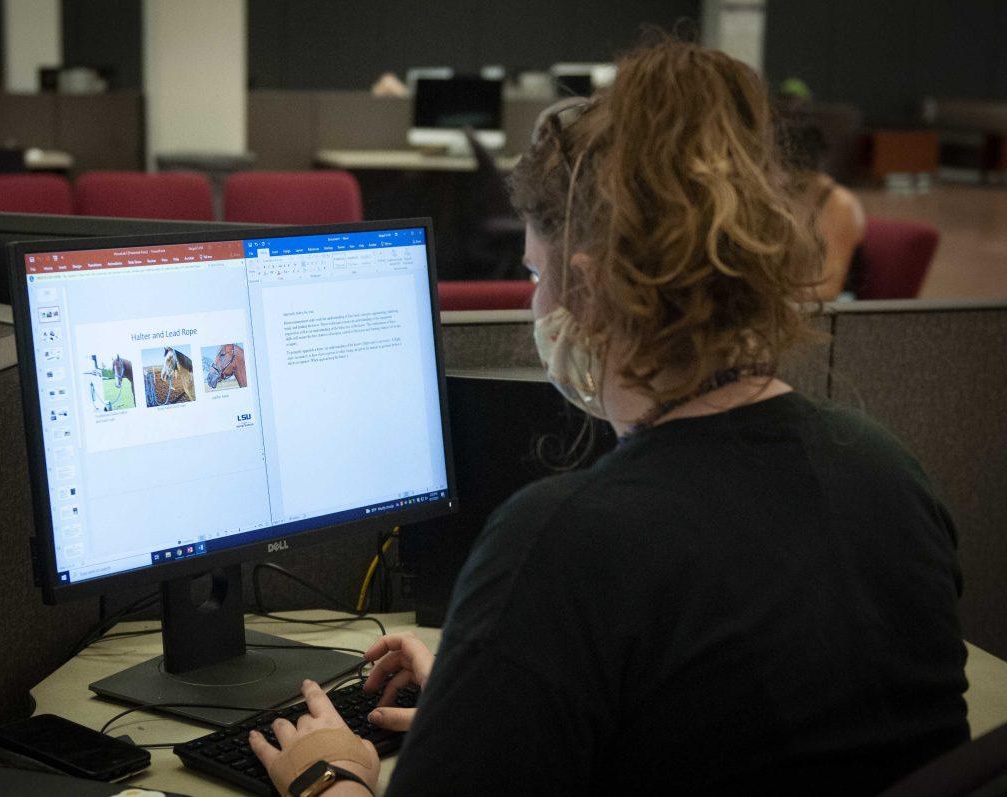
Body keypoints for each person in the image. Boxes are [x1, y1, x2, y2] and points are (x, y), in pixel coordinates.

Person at [250, 39, 968, 796]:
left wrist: (328, 777)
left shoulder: (566, 544)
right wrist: (494, 684)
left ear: (587, 290)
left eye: (535, 273)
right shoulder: (888, 471)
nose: (534, 302)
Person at [780, 111, 868, 300]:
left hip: (835, 311)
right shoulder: (785, 196)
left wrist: (762, 298)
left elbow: (828, 290)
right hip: (793, 304)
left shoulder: (841, 205)